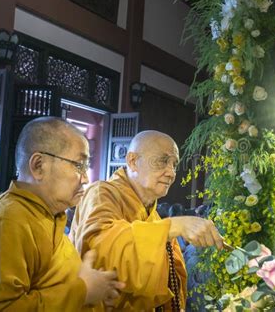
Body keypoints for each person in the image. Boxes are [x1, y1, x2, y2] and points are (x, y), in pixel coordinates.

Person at [0, 117, 124, 311]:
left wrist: (96, 295)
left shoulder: (47, 215)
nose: (85, 178)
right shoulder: (9, 221)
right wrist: (83, 291)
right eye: (79, 165)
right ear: (38, 166)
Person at [70, 130, 224, 311]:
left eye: (174, 164)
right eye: (163, 161)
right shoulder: (101, 193)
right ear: (133, 161)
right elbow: (102, 251)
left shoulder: (155, 217)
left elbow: (172, 283)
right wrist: (172, 227)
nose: (171, 173)